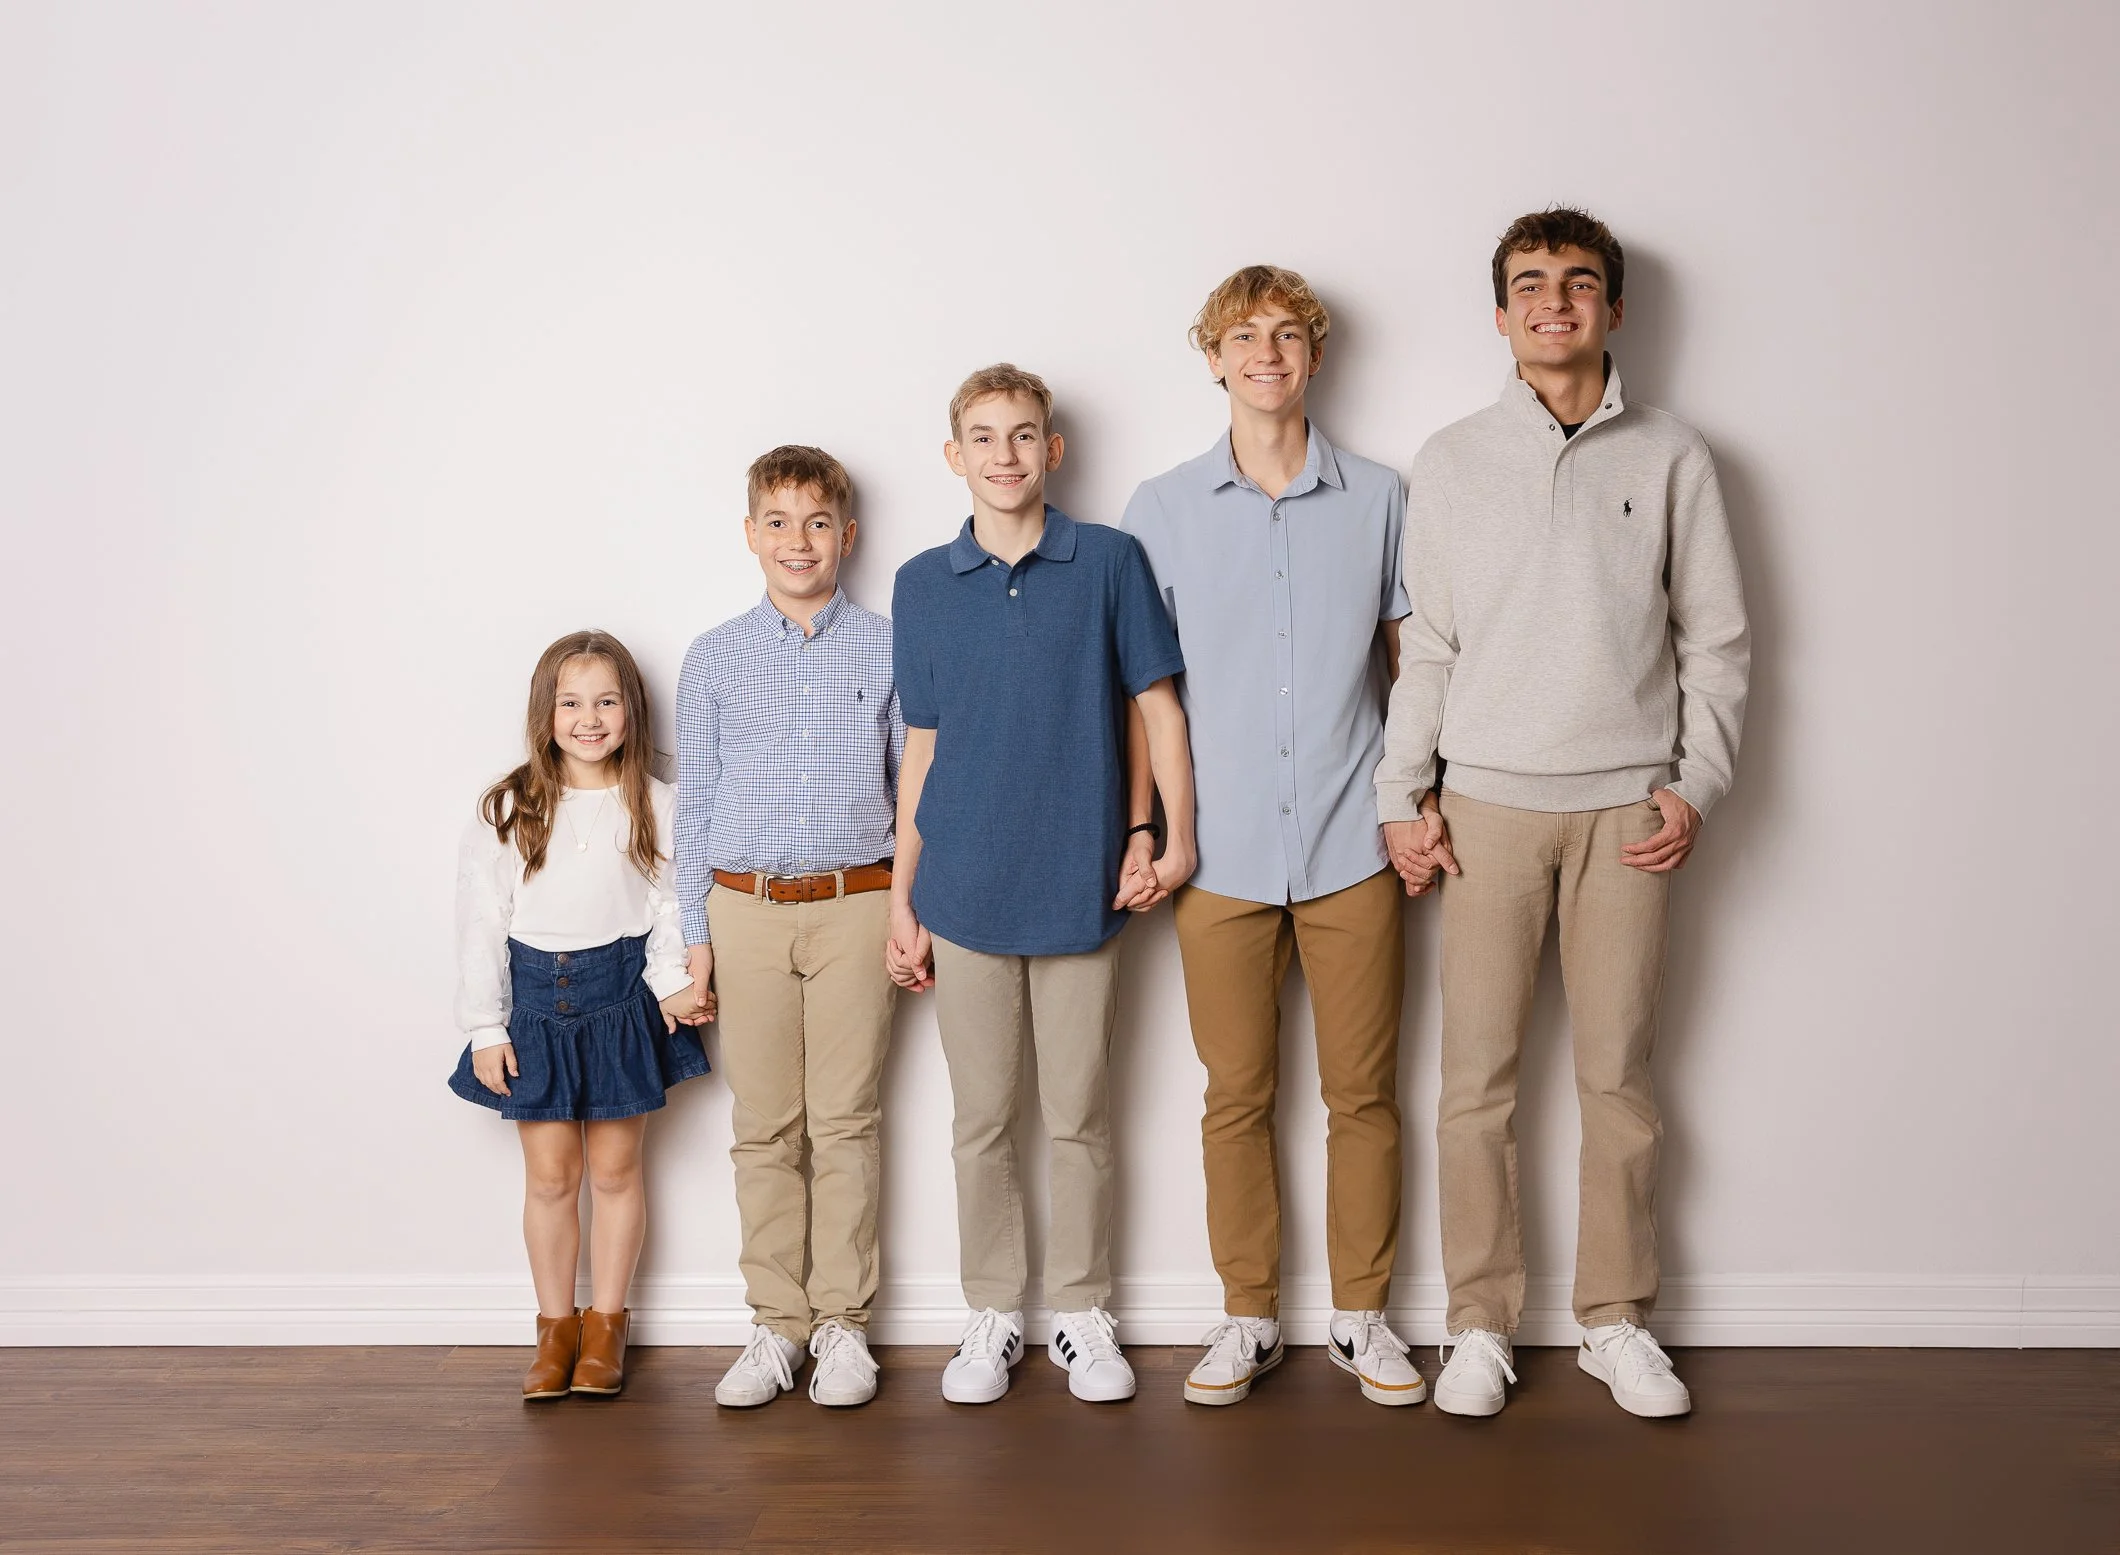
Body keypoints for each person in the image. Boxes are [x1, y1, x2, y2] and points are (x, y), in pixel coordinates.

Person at [1377, 207, 1751, 1419]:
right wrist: (1404, 795)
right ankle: (1477, 1324)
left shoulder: (1672, 455)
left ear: (1612, 310)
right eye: (1529, 285)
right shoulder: (1449, 459)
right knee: (1474, 1080)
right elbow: (1424, 643)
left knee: (1617, 1077)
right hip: (1483, 805)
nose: (1553, 302)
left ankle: (1613, 1318)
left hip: (1625, 816)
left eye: (1576, 284)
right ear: (1499, 315)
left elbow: (1719, 641)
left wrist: (1693, 784)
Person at [1123, 265, 1428, 1409]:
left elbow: (1410, 664)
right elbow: (1142, 690)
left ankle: (1362, 1317)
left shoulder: (1380, 497)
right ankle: (1246, 1315)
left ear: (1313, 355)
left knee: (1364, 1093)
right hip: (1218, 855)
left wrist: (1416, 802)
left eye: (1286, 334)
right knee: (1233, 1095)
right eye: (1242, 336)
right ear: (1211, 358)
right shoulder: (1157, 509)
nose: (1266, 352)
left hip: (1355, 838)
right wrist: (1147, 826)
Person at [888, 363, 1196, 1406]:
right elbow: (920, 747)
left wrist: (1151, 831)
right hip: (962, 886)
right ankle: (991, 1312)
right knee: (982, 1118)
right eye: (983, 437)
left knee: (1077, 1116)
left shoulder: (1108, 560)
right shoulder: (922, 583)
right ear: (954, 456)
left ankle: (1079, 1310)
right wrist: (901, 895)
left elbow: (1154, 709)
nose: (1005, 455)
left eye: (1023, 435)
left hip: (1079, 882)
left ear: (1052, 450)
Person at [671, 445, 904, 1410]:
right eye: (778, 522)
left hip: (858, 901)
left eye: (817, 523)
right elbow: (694, 807)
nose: (797, 541)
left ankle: (844, 1324)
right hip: (746, 906)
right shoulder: (714, 654)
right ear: (750, 534)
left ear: (846, 535)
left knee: (847, 1120)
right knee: (765, 1126)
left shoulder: (891, 645)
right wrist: (697, 936)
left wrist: (908, 910)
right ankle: (776, 1325)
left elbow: (915, 788)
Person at [449, 631, 710, 1400]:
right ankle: (553, 1327)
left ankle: (606, 1325)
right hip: (534, 1002)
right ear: (545, 711)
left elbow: (671, 902)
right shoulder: (509, 804)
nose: (588, 718)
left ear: (631, 710)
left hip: (621, 997)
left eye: (605, 701)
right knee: (551, 1175)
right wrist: (486, 1025)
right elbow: (480, 922)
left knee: (618, 1170)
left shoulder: (658, 801)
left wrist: (669, 979)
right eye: (570, 702)